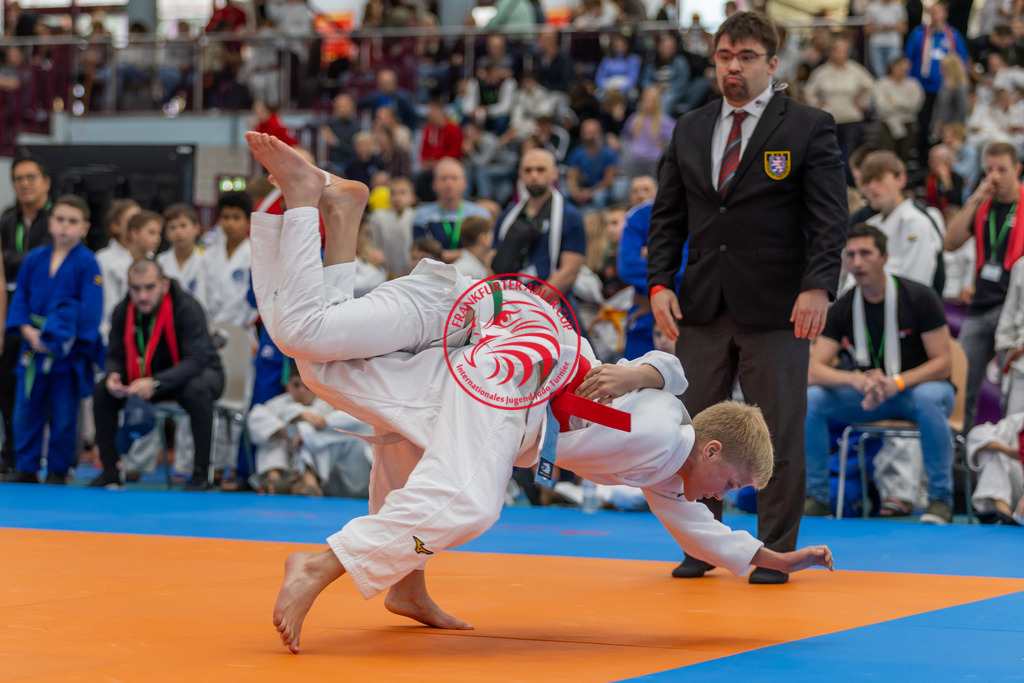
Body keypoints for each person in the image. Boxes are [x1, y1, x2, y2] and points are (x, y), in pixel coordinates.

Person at [243, 131, 834, 654]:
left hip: (479, 311)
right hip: (521, 367)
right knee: (472, 503)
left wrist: (774, 558)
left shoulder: (665, 473)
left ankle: (336, 210)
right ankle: (321, 567)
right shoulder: (658, 434)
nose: (719, 498)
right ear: (710, 452)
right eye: (729, 484)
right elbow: (658, 379)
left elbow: (704, 532)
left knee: (323, 359)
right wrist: (640, 375)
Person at [646, 11, 848, 584]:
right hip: (703, 302)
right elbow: (667, 218)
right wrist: (659, 283)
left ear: (772, 63)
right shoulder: (690, 127)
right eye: (724, 56)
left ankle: (774, 550)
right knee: (689, 430)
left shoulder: (808, 126)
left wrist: (818, 285)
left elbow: (830, 218)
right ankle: (701, 544)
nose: (733, 67)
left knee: (777, 429)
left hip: (781, 304)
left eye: (746, 57)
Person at [805, 223, 955, 522]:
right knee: (812, 400)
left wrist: (896, 383)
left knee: (927, 397)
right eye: (851, 255)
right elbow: (813, 369)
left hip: (917, 391)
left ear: (885, 257)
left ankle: (941, 500)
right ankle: (818, 497)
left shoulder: (919, 297)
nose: (857, 262)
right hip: (869, 396)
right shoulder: (844, 306)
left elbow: (944, 364)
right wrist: (855, 380)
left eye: (866, 253)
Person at [90, 260, 224, 490]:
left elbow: (197, 359)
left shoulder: (187, 308)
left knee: (197, 391)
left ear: (164, 284)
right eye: (135, 288)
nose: (142, 296)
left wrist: (157, 382)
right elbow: (114, 354)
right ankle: (110, 471)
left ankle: (201, 474)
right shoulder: (123, 311)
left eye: (149, 287)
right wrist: (113, 374)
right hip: (144, 378)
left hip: (192, 375)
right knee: (103, 390)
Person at [1, 195, 103, 484]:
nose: (64, 227)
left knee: (63, 414)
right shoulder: (34, 258)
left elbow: (90, 310)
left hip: (65, 352)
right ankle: (27, 466)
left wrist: (61, 340)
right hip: (32, 347)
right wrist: (26, 331)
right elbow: (20, 298)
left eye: (72, 222)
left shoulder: (88, 263)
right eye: (59, 219)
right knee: (25, 409)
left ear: (84, 227)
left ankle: (59, 468)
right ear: (50, 223)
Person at [944, 142, 1024, 431]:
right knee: (961, 386)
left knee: (1013, 394)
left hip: (1013, 311)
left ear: (1017, 168)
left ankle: (1009, 459)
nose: (995, 176)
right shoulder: (982, 206)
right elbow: (950, 243)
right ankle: (959, 461)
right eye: (989, 169)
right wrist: (974, 199)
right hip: (980, 306)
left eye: (1002, 169)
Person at [247, 365, 372, 497]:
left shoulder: (327, 404)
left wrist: (309, 430)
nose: (302, 391)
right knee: (274, 436)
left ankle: (309, 480)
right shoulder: (278, 404)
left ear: (315, 388)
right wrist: (285, 429)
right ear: (287, 386)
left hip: (335, 472)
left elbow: (359, 421)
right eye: (296, 385)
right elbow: (256, 418)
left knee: (317, 437)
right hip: (285, 467)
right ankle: (275, 478)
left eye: (307, 386)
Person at [0, 156, 52, 475]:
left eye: (31, 177)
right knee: (6, 386)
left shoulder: (57, 219)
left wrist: (12, 261)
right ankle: (12, 453)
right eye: (18, 179)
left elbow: (44, 262)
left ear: (46, 182)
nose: (24, 184)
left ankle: (53, 459)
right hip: (10, 313)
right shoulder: (7, 219)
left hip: (44, 315)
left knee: (44, 391)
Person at [493, 148, 586, 297]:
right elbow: (492, 262)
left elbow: (569, 271)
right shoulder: (507, 216)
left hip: (553, 306)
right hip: (508, 303)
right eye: (528, 170)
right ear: (520, 174)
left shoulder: (570, 216)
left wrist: (532, 305)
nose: (534, 176)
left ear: (554, 173)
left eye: (540, 170)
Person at [853, 151, 945, 293]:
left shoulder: (916, 222)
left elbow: (917, 281)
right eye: (867, 182)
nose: (871, 187)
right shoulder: (871, 225)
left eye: (879, 179)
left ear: (901, 180)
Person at [904, 1, 969, 163]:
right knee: (925, 125)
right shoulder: (919, 34)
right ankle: (923, 160)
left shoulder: (953, 36)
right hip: (924, 87)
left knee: (944, 124)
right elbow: (908, 59)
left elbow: (962, 60)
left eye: (938, 12)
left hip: (948, 88)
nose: (935, 16)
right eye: (932, 13)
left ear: (945, 14)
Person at [412, 159, 490, 263]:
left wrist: (444, 255)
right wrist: (467, 253)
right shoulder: (421, 215)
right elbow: (422, 254)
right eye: (443, 179)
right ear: (434, 184)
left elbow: (484, 251)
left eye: (454, 178)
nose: (449, 184)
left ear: (465, 183)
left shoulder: (480, 214)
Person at [203, 190, 258, 327]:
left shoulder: (255, 256)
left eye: (236, 218)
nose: (230, 224)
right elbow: (203, 293)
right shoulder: (209, 255)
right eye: (225, 217)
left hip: (243, 328)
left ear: (248, 222)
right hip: (211, 325)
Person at [964, 411, 1024, 524]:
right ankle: (1004, 516)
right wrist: (1007, 450)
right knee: (994, 453)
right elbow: (976, 434)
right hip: (1016, 488)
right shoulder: (1017, 422)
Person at [94, 199, 141, 341]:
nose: (137, 226)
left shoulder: (149, 256)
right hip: (114, 333)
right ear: (115, 226)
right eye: (131, 221)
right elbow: (108, 305)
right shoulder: (104, 259)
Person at [873, 56, 924, 163]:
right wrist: (903, 106)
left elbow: (914, 106)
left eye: (906, 68)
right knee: (888, 156)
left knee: (905, 156)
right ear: (893, 66)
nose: (903, 70)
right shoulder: (882, 84)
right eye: (900, 67)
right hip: (887, 124)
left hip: (908, 123)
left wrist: (894, 102)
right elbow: (881, 107)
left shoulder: (913, 85)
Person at [156, 203, 207, 303]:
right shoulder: (160, 261)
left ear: (196, 228)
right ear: (166, 233)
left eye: (183, 226)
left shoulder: (207, 258)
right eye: (172, 227)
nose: (178, 232)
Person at [566, 119, 618, 211]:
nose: (589, 135)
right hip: (581, 188)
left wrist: (590, 192)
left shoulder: (608, 153)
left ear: (599, 133)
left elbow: (608, 180)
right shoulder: (576, 153)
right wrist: (575, 191)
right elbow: (572, 177)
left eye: (592, 132)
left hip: (600, 190)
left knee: (599, 197)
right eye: (586, 131)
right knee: (564, 194)